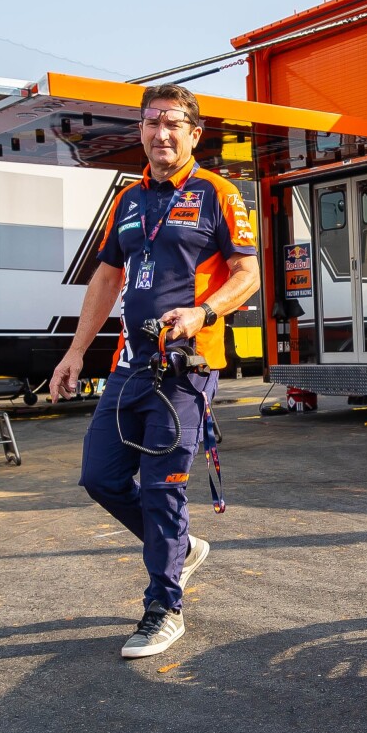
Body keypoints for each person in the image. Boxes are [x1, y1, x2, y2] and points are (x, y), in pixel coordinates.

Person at [49, 84, 260, 659]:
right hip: (130, 364)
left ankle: (164, 609)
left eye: (172, 123)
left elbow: (248, 273)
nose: (160, 133)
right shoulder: (128, 200)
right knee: (101, 477)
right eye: (150, 123)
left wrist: (204, 310)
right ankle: (182, 548)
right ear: (140, 132)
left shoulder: (219, 193)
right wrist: (74, 353)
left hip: (188, 368)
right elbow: (106, 280)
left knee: (165, 490)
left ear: (194, 133)